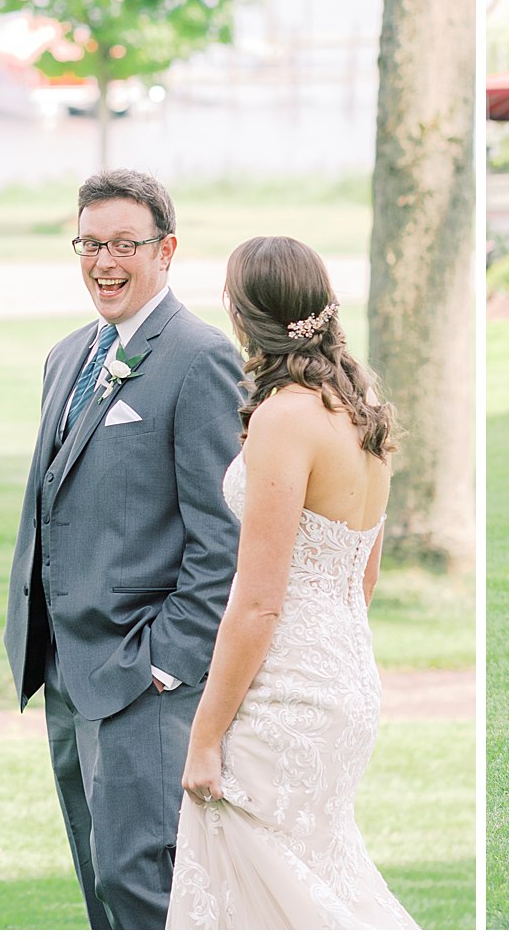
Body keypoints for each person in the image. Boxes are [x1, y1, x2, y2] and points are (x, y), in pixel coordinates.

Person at [2, 168, 245, 929]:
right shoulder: (66, 356)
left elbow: (222, 537)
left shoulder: (200, 359)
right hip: (64, 667)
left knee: (143, 883)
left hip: (142, 677)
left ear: (166, 249)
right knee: (98, 881)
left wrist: (166, 664)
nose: (104, 262)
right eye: (89, 244)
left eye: (124, 245)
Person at [168, 236, 418, 929]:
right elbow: (362, 570)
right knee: (312, 879)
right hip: (345, 674)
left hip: (289, 687)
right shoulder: (359, 404)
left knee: (260, 886)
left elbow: (256, 602)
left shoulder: (284, 416)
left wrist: (205, 734)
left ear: (245, 315)